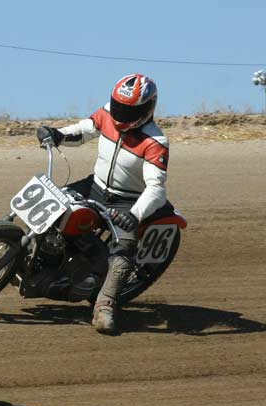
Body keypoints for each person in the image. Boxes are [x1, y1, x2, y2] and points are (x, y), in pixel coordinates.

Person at [36, 73, 169, 335]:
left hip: (126, 202)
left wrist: (135, 215)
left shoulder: (155, 142)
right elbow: (86, 129)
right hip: (94, 186)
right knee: (51, 205)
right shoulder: (108, 113)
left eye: (129, 110)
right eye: (118, 106)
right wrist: (58, 134)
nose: (120, 113)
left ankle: (104, 305)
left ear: (147, 109)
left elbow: (156, 189)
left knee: (124, 251)